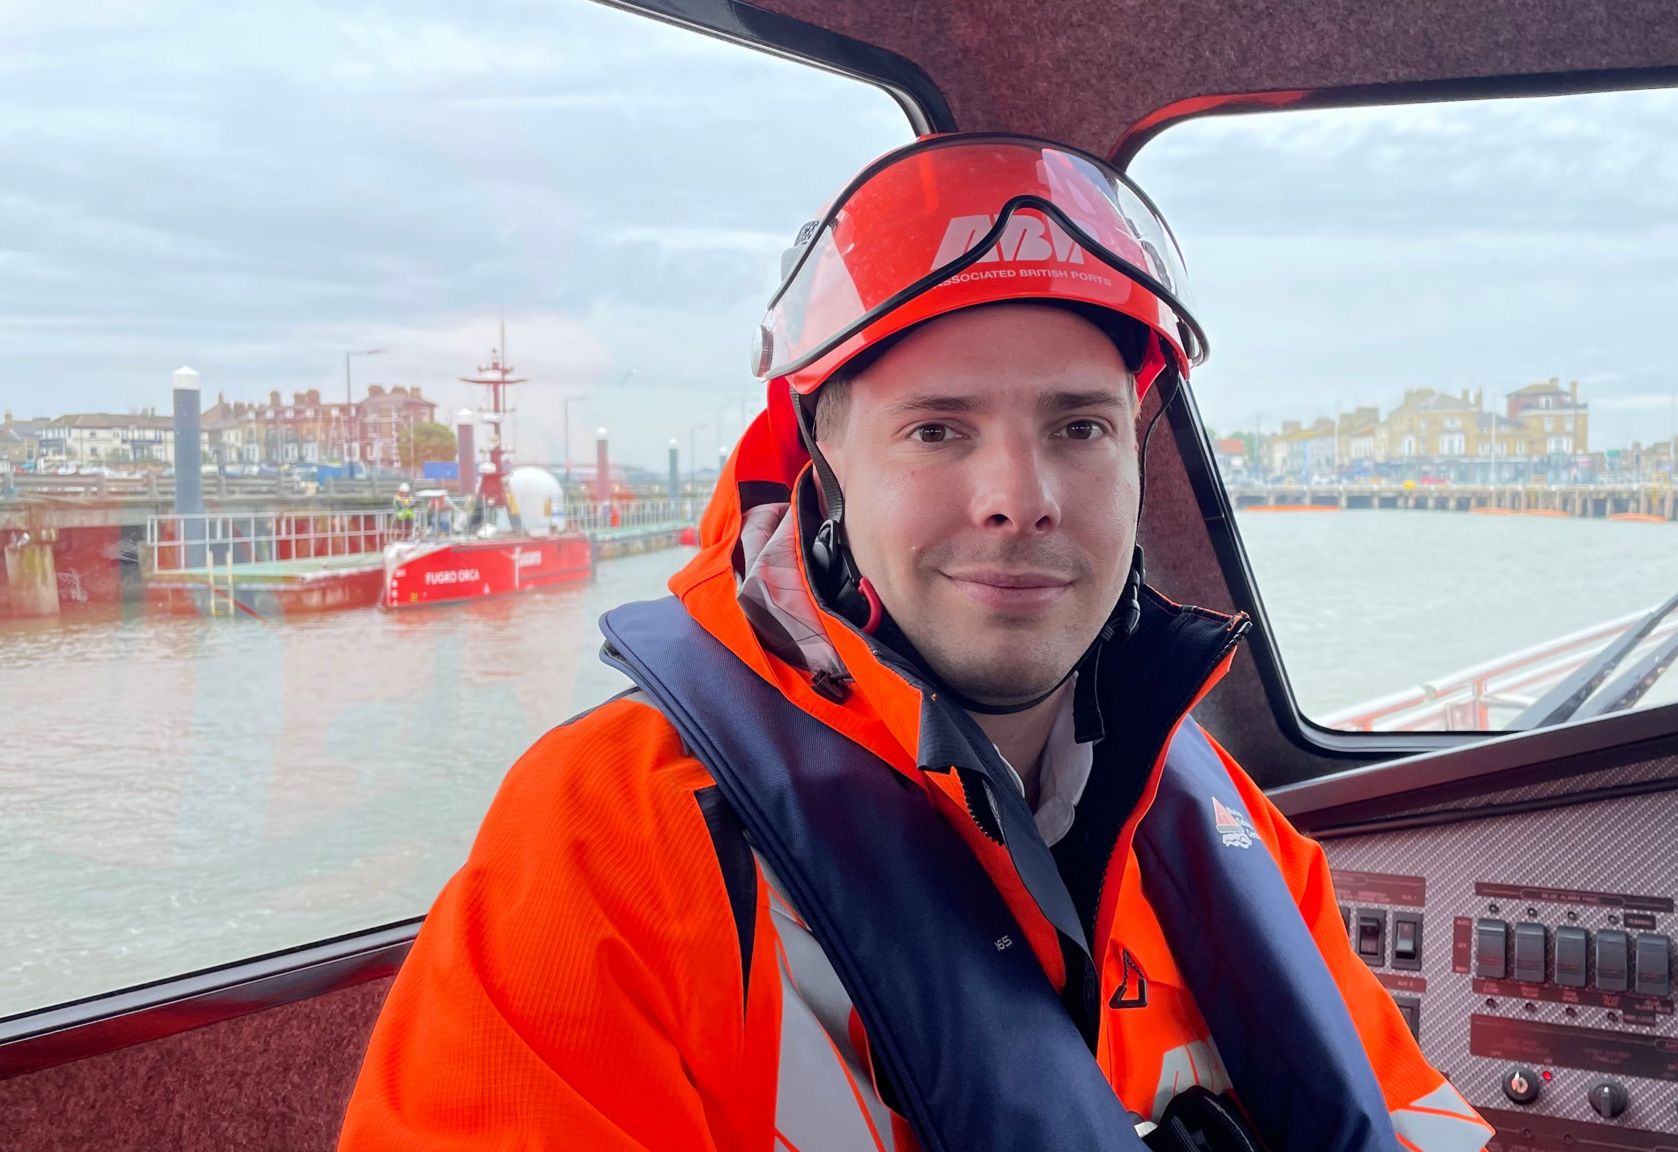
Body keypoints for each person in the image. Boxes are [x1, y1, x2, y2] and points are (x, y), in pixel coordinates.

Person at [340, 134, 1490, 1152]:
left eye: (1078, 427)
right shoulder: (610, 847)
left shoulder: (1234, 832)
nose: (1019, 496)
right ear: (822, 473)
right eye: (937, 430)